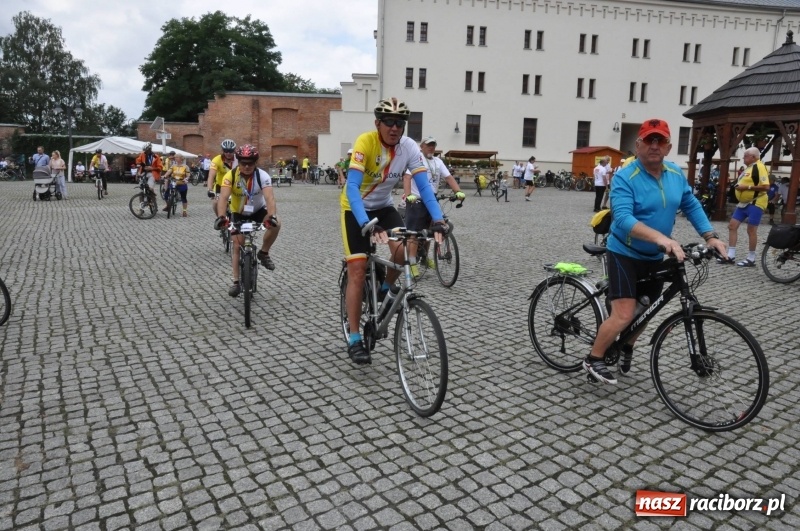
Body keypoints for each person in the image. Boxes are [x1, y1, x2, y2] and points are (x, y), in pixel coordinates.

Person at [582, 118, 726, 385]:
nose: (655, 146)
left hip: (654, 255)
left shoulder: (675, 174)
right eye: (649, 140)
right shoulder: (625, 177)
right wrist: (662, 238)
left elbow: (690, 204)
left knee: (647, 308)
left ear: (669, 147)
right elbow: (622, 218)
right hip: (624, 253)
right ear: (639, 145)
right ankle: (594, 358)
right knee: (624, 313)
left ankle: (626, 344)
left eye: (661, 141)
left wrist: (710, 236)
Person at [342, 97, 448, 365]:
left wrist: (438, 219)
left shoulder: (409, 147)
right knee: (358, 269)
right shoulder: (365, 142)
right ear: (377, 123)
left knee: (403, 250)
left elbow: (425, 187)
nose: (394, 127)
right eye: (388, 122)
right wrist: (366, 222)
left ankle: (386, 289)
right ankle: (354, 338)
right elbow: (352, 186)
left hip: (384, 207)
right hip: (355, 208)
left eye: (400, 123)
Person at [214, 145, 281, 297]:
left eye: (250, 163)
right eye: (243, 163)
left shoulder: (262, 176)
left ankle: (264, 253)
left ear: (255, 163)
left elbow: (270, 198)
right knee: (237, 245)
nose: (246, 166)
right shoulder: (230, 176)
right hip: (238, 213)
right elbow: (223, 198)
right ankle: (236, 282)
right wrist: (221, 217)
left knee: (277, 223)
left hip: (258, 211)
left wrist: (272, 216)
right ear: (238, 162)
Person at [402, 136, 466, 277]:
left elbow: (448, 177)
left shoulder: (438, 161)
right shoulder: (417, 159)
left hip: (432, 200)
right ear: (422, 147)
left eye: (433, 145)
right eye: (428, 145)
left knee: (433, 230)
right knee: (415, 233)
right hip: (417, 200)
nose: (431, 148)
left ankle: (424, 258)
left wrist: (458, 191)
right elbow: (407, 177)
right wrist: (408, 195)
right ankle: (412, 263)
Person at [718, 147, 770, 267]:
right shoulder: (749, 167)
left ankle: (751, 258)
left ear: (753, 157)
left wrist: (746, 187)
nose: (743, 158)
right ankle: (730, 256)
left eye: (746, 156)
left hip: (756, 202)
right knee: (732, 226)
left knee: (751, 230)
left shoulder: (759, 167)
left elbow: (766, 187)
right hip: (743, 203)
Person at [206, 139, 237, 214]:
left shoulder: (238, 159)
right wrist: (209, 189)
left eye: (231, 151)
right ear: (222, 150)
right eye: (226, 151)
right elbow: (211, 176)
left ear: (234, 151)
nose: (228, 153)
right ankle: (220, 218)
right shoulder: (217, 159)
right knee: (216, 203)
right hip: (220, 186)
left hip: (235, 186)